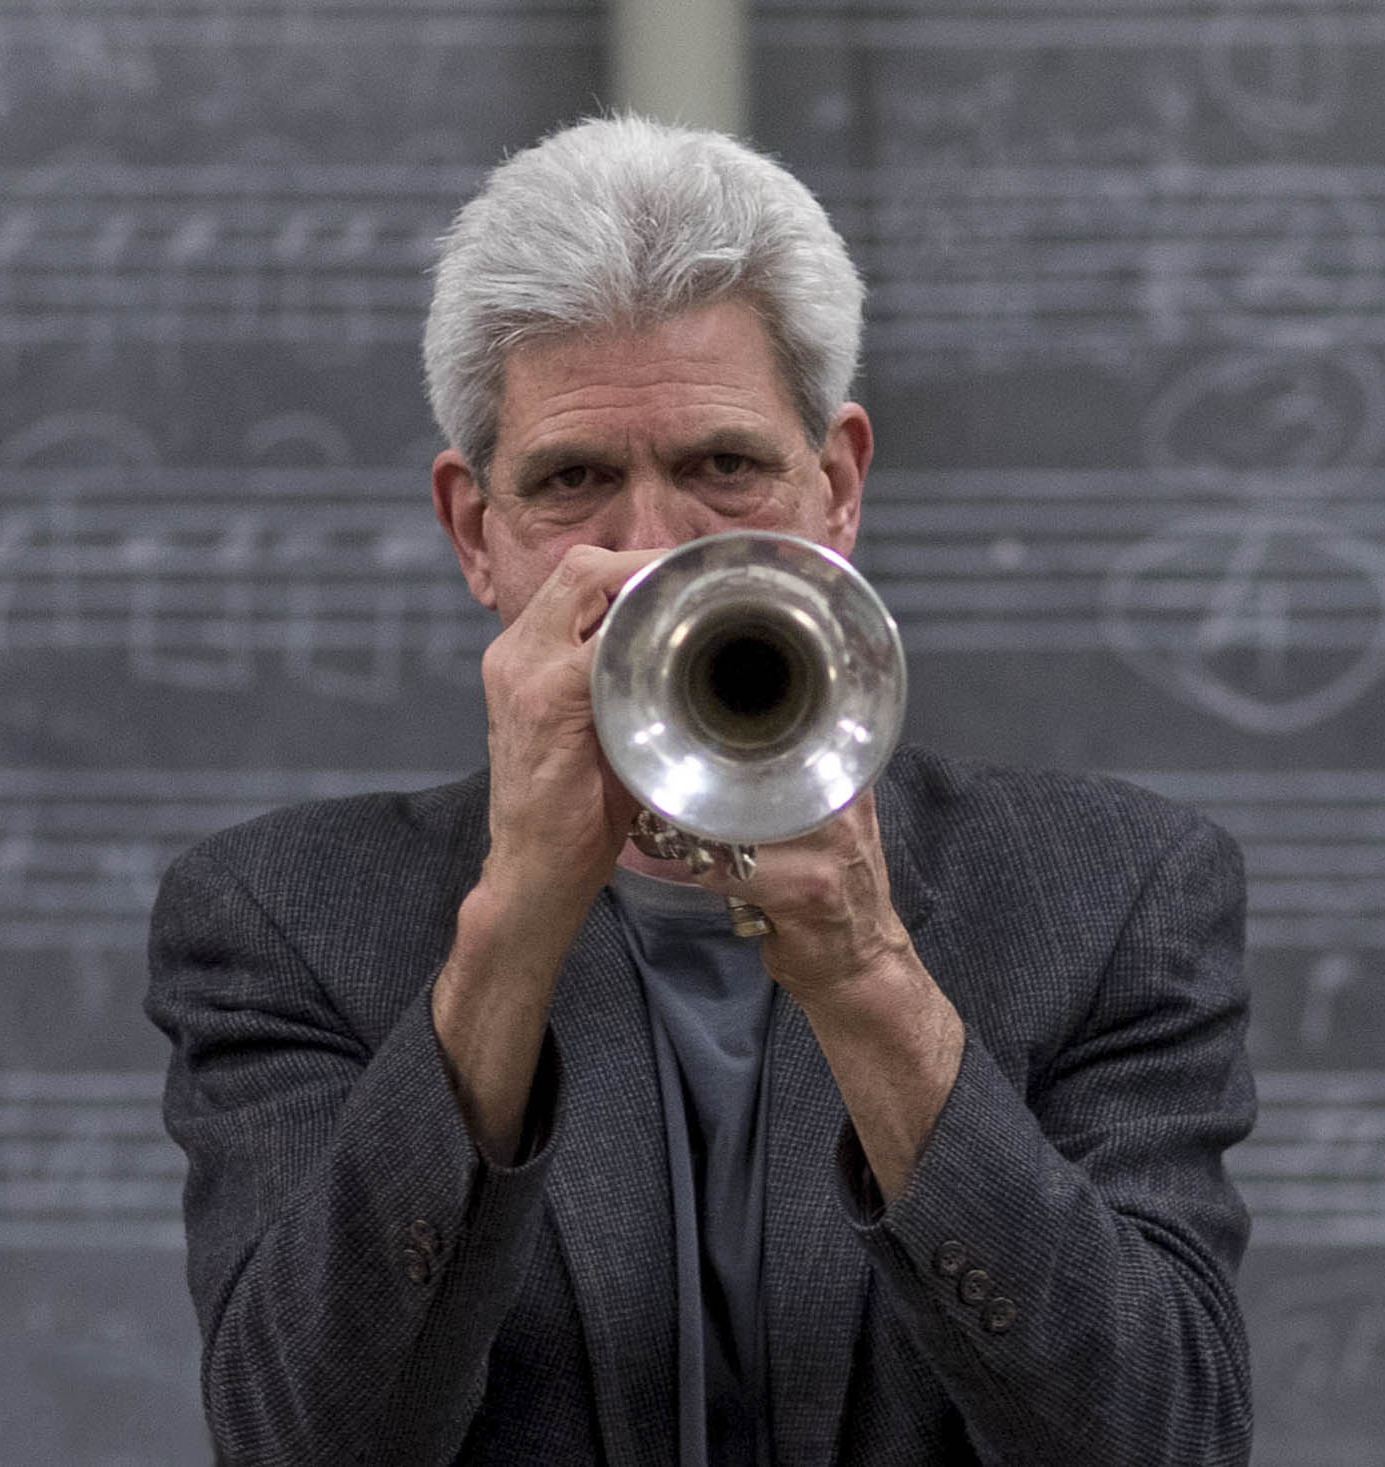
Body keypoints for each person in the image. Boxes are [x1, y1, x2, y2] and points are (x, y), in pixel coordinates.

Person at [145, 115, 1255, 1466]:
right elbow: (302, 1441)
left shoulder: (1111, 897)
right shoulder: (282, 919)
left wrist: (864, 975)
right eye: (572, 481)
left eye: (724, 466)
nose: (650, 550)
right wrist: (513, 929)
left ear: (836, 485)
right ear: (472, 531)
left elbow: (1164, 1439)